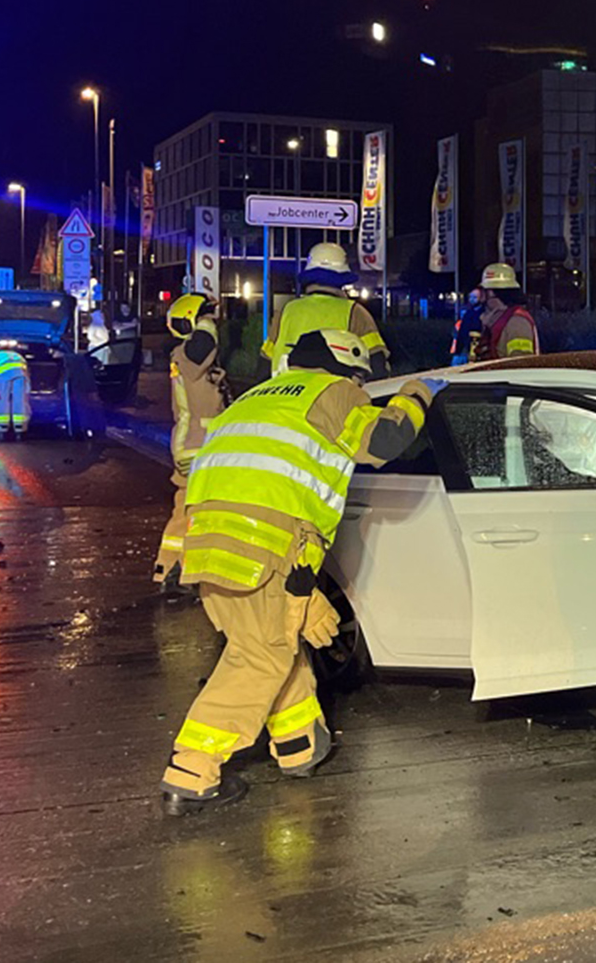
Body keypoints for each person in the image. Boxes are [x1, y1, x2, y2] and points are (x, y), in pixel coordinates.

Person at [159, 329, 436, 814]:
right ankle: (193, 768)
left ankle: (298, 745)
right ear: (350, 370)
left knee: (270, 642)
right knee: (261, 659)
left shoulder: (254, 398)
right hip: (265, 546)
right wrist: (417, 397)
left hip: (207, 544)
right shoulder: (334, 393)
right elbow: (387, 439)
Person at [153, 294, 231, 589]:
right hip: (201, 447)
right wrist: (207, 321)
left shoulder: (184, 359)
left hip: (193, 447)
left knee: (185, 511)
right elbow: (203, 346)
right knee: (204, 513)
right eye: (206, 319)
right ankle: (193, 571)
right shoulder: (189, 356)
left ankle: (170, 568)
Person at [262, 241, 389, 379]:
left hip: (284, 394)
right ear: (343, 279)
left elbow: (265, 361)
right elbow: (377, 363)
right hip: (332, 395)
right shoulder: (355, 313)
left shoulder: (286, 311)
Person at [473, 263, 539, 361]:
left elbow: (520, 363)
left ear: (491, 292)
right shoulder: (496, 319)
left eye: (483, 290)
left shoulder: (517, 323)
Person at [0, 344, 30, 438]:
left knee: (1, 400)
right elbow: (26, 370)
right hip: (21, 375)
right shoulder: (17, 355)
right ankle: (20, 429)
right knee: (19, 400)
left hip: (3, 376)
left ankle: (1, 429)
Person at [448, 288, 488, 365]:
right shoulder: (468, 313)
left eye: (475, 297)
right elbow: (462, 332)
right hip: (462, 350)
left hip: (475, 351)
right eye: (471, 297)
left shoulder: (484, 314)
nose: (472, 299)